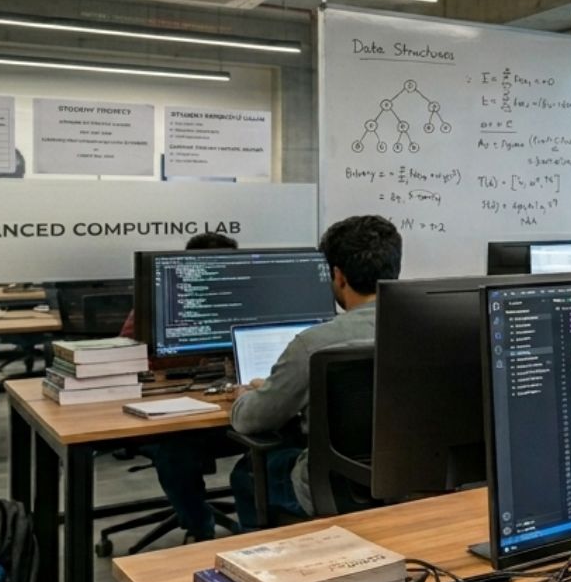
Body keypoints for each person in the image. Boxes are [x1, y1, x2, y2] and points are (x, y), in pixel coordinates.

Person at [228, 215, 401, 526]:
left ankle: (258, 567)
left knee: (248, 472)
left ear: (338, 276)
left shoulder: (312, 344)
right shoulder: (429, 328)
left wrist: (244, 395)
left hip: (335, 488)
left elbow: (251, 419)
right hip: (410, 482)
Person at [123, 230, 242, 542]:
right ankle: (199, 525)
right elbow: (129, 356)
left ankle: (260, 529)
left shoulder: (243, 300)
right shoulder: (160, 303)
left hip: (230, 409)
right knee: (175, 452)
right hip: (172, 415)